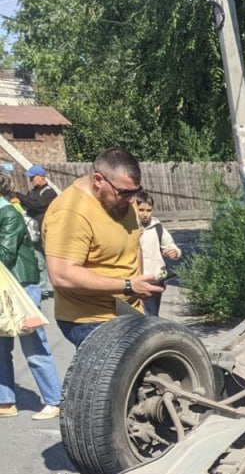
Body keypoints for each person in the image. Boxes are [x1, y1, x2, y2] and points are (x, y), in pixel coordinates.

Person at [42, 147, 162, 348]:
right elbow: (62, 275)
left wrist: (140, 283)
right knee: (114, 379)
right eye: (125, 192)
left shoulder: (122, 200)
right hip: (91, 319)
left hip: (130, 311)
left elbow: (134, 246)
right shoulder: (71, 212)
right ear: (98, 180)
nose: (132, 200)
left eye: (135, 192)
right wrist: (127, 285)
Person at [0, 172, 62, 419]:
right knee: (1, 346)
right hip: (4, 288)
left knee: (33, 345)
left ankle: (53, 399)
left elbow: (5, 254)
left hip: (22, 287)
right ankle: (6, 401)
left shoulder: (8, 214)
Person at [132, 190, 181, 317]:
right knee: (135, 319)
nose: (145, 214)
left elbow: (171, 246)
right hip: (134, 282)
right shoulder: (129, 228)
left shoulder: (157, 228)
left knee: (152, 316)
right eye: (141, 210)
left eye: (148, 210)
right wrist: (133, 237)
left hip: (154, 281)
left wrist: (174, 252)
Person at [23, 164, 57, 296]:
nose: (31, 180)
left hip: (48, 232)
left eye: (32, 177)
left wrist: (20, 196)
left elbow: (37, 205)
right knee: (38, 260)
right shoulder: (31, 192)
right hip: (34, 231)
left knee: (52, 261)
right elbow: (27, 205)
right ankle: (43, 289)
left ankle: (61, 288)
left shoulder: (49, 192)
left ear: (41, 177)